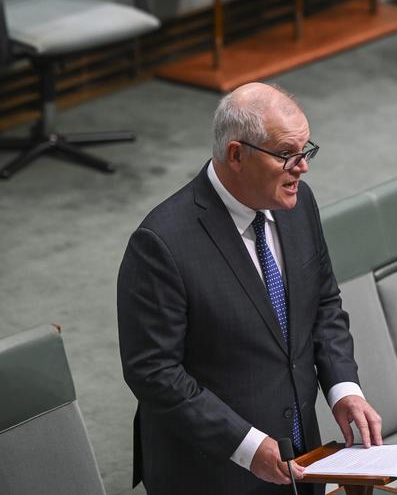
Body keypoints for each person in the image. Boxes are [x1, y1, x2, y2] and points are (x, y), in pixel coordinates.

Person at [117, 82, 382, 494]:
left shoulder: (298, 205)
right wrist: (246, 445)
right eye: (285, 154)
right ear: (236, 155)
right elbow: (154, 373)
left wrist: (343, 388)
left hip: (300, 461)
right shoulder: (162, 244)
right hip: (213, 472)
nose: (302, 167)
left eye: (305, 150)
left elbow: (324, 303)